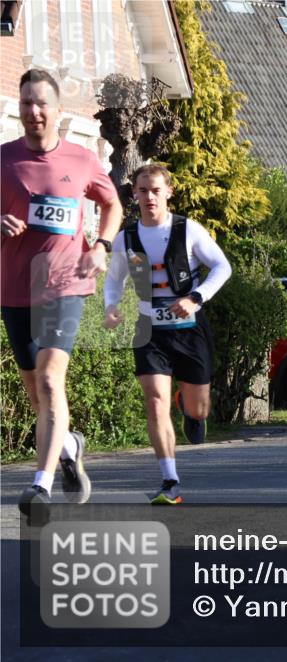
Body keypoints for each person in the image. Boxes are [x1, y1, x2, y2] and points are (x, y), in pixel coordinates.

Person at [3, 69, 123, 520]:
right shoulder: (3, 160)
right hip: (14, 288)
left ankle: (41, 485)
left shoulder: (82, 159)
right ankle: (70, 445)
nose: (33, 111)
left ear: (57, 110)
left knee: (52, 379)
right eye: (26, 103)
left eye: (41, 104)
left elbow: (112, 204)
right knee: (37, 394)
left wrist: (102, 246)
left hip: (66, 284)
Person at [103, 164, 231, 505]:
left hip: (190, 330)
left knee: (199, 408)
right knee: (154, 401)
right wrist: (111, 306)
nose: (149, 197)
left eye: (155, 190)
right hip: (148, 330)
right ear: (135, 195)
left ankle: (190, 408)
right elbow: (114, 280)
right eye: (142, 191)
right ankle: (169, 480)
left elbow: (222, 267)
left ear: (168, 193)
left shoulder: (188, 230)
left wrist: (195, 297)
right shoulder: (126, 238)